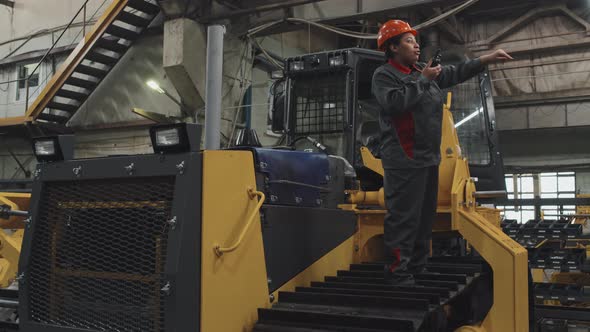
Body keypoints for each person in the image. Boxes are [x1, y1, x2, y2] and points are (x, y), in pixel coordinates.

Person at [371, 19, 513, 284]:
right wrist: (423, 81)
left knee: (424, 219)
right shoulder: (385, 75)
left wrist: (486, 59)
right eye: (409, 41)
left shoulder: (418, 71)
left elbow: (455, 72)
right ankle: (397, 273)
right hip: (403, 159)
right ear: (392, 47)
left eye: (416, 40)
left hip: (427, 158)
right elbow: (394, 103)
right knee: (404, 219)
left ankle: (417, 267)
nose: (416, 45)